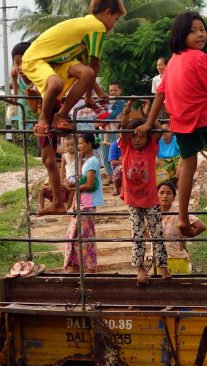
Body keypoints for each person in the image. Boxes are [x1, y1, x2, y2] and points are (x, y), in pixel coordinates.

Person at [137, 11, 207, 236]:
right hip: (204, 117)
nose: (200, 35)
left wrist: (149, 123)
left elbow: (159, 95)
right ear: (181, 35)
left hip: (180, 122)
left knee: (188, 165)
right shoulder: (200, 57)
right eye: (193, 31)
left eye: (202, 30)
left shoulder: (172, 62)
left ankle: (183, 217)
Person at [21, 0, 123, 215]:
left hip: (55, 66)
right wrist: (95, 95)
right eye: (115, 18)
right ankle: (47, 118)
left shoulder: (84, 32)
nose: (114, 24)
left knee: (51, 156)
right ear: (106, 13)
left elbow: (88, 71)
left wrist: (91, 97)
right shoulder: (96, 27)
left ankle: (58, 202)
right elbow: (94, 66)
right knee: (56, 84)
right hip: (38, 62)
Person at [120, 101, 171, 285]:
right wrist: (127, 109)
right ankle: (140, 269)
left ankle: (162, 265)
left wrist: (150, 118)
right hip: (133, 201)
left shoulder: (150, 147)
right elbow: (124, 127)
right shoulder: (126, 146)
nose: (137, 140)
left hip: (151, 200)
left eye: (141, 137)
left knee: (157, 233)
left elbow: (159, 132)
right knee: (138, 235)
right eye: (134, 137)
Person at [63, 134, 104, 273]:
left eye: (80, 143)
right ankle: (76, 267)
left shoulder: (92, 161)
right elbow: (81, 177)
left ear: (89, 144)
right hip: (81, 203)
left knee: (86, 237)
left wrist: (73, 188)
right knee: (75, 235)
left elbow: (89, 184)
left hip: (87, 204)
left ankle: (91, 268)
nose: (78, 146)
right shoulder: (86, 160)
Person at [157, 181, 206, 274]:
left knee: (181, 285)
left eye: (169, 193)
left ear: (174, 197)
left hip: (178, 256)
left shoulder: (179, 212)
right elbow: (142, 228)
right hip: (157, 258)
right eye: (161, 193)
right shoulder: (152, 213)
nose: (165, 196)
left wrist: (185, 238)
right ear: (157, 195)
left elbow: (201, 227)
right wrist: (151, 240)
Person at [100, 82, 127, 179]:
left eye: (115, 90)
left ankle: (117, 176)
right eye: (111, 90)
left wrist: (102, 118)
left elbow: (113, 115)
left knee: (116, 154)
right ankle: (109, 176)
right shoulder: (106, 101)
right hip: (104, 129)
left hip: (115, 131)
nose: (113, 92)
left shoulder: (121, 102)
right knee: (105, 154)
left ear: (120, 91)